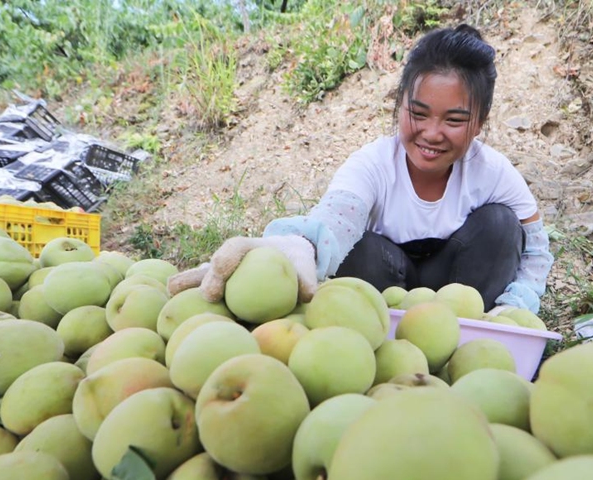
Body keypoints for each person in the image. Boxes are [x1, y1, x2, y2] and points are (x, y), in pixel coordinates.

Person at [168, 24, 554, 316]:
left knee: (503, 225)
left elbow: (535, 248)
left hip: (462, 304)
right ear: (399, 103)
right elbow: (336, 219)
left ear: (480, 122)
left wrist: (517, 308)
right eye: (418, 113)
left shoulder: (492, 172)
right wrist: (292, 249)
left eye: (453, 120)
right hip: (383, 297)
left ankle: (478, 334)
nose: (431, 134)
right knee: (357, 246)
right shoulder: (372, 164)